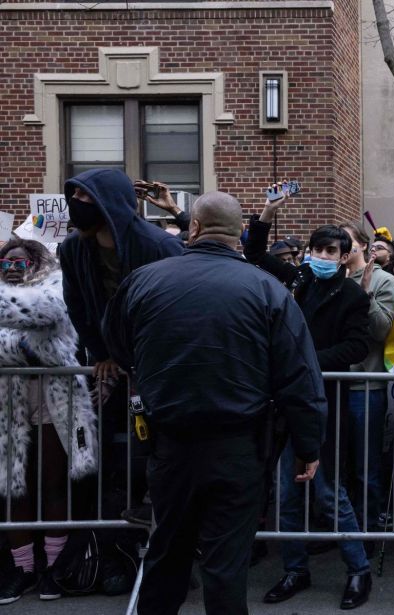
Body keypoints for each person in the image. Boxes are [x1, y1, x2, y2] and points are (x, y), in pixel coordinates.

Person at [102, 191, 327, 615]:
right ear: (239, 234)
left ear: (196, 227)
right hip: (237, 446)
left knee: (167, 554)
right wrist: (308, 445)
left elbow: (116, 341)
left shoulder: (144, 280)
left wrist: (154, 374)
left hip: (170, 442)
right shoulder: (268, 290)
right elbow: (299, 375)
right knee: (226, 567)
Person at [245, 191, 373, 610]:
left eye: (330, 250)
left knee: (328, 491)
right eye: (317, 248)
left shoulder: (353, 297)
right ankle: (295, 570)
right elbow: (256, 253)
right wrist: (267, 213)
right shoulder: (299, 280)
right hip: (288, 403)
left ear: (343, 256)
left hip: (321, 403)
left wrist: (307, 362)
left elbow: (357, 345)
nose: (321, 255)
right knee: (286, 494)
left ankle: (358, 570)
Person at [60, 167, 183, 594]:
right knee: (115, 463)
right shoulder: (73, 250)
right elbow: (78, 305)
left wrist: (142, 364)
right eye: (73, 197)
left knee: (164, 463)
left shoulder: (160, 247)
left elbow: (175, 314)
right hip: (113, 365)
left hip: (158, 371)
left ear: (109, 202)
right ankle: (116, 554)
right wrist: (104, 355)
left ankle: (173, 563)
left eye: (87, 199)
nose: (77, 206)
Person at [0, 239, 98, 605]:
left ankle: (55, 567)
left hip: (53, 400)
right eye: (6, 260)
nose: (11, 266)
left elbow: (48, 331)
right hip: (8, 403)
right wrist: (23, 348)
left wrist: (20, 348)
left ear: (36, 262)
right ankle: (22, 569)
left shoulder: (56, 287)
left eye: (20, 261)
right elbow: (30, 345)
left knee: (53, 482)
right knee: (13, 487)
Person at [340, 222, 394, 537]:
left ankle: (367, 530)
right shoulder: (332, 278)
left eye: (346, 241)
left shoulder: (383, 280)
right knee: (339, 464)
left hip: (365, 387)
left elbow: (380, 331)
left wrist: (364, 295)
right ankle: (342, 526)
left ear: (363, 245)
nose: (341, 248)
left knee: (366, 467)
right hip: (333, 386)